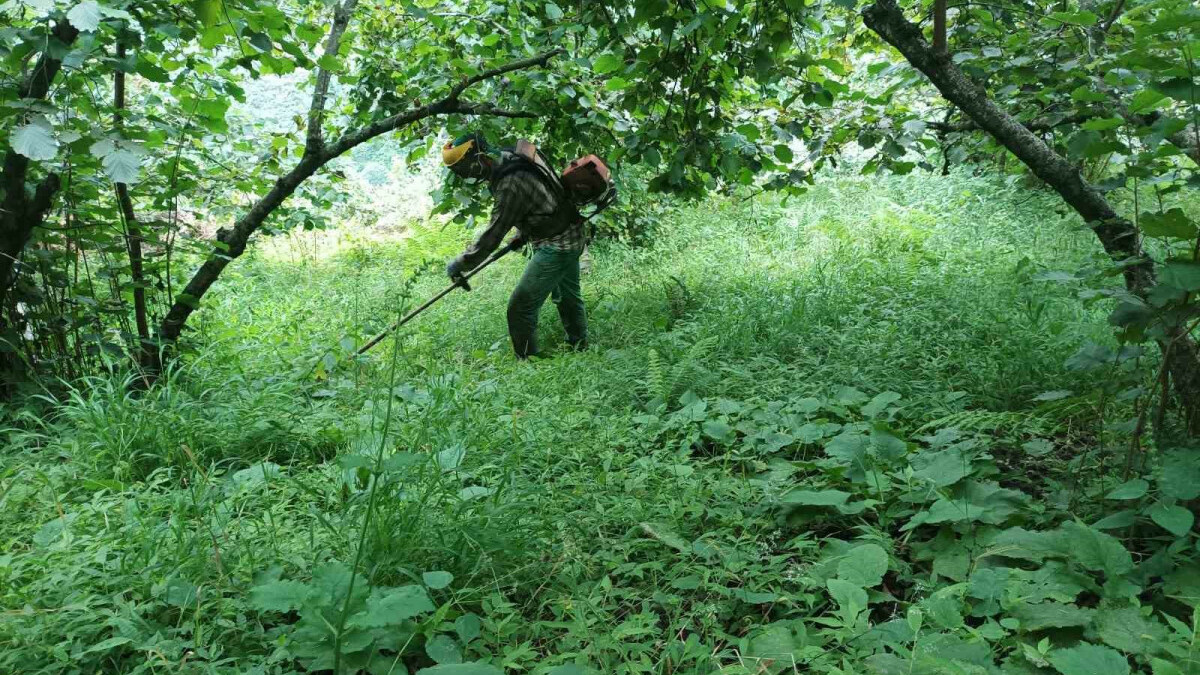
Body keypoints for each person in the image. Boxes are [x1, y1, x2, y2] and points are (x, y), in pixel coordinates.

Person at [442, 133, 588, 359]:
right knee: (567, 296)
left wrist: (460, 263)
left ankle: (528, 363)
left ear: (480, 156)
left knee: (520, 308)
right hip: (571, 230)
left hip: (558, 244)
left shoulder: (509, 184)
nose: (466, 174)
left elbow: (493, 235)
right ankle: (580, 346)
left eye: (465, 166)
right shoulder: (509, 157)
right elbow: (539, 198)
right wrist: (522, 234)